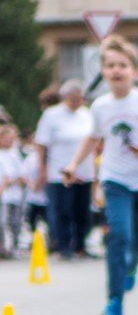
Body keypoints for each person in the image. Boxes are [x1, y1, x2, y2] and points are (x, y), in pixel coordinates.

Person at [67, 36, 138, 315]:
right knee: (119, 235)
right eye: (110, 65)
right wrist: (74, 164)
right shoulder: (101, 106)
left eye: (123, 65)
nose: (116, 70)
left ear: (134, 71)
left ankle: (131, 267)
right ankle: (114, 302)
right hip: (115, 179)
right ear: (103, 71)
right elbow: (93, 137)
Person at [35, 80, 93, 259]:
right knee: (63, 210)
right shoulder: (52, 115)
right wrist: (42, 168)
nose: (78, 103)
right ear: (65, 98)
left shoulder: (87, 114)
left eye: (80, 99)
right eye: (74, 99)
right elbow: (41, 144)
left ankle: (80, 245)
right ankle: (63, 246)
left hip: (84, 171)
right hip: (59, 172)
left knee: (82, 211)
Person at [0, 120, 26, 257]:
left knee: (15, 222)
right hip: (3, 195)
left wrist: (11, 181)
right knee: (2, 222)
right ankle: (3, 247)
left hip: (14, 195)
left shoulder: (14, 154)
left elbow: (19, 175)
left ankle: (14, 246)